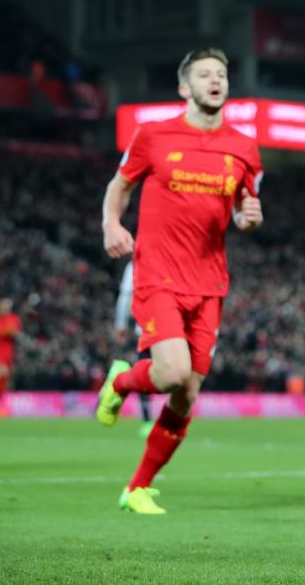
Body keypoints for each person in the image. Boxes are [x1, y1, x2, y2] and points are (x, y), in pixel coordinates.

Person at [96, 47, 264, 515]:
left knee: (186, 395)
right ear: (184, 88)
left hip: (210, 282)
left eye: (222, 74)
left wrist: (251, 217)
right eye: (205, 74)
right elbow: (120, 185)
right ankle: (122, 383)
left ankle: (137, 488)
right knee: (170, 373)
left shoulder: (244, 148)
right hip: (157, 272)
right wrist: (112, 224)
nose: (215, 80)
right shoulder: (153, 135)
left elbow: (245, 213)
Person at [114, 261, 153, 438]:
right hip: (147, 329)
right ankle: (147, 421)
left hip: (171, 327)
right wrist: (121, 323)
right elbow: (126, 295)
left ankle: (122, 380)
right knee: (147, 374)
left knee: (170, 374)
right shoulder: (137, 263)